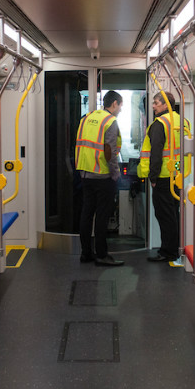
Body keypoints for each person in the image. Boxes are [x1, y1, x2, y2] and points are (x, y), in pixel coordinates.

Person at [75, 91, 125, 266]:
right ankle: (102, 255)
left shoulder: (86, 118)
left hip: (85, 172)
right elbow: (109, 151)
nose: (120, 109)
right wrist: (115, 174)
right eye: (120, 105)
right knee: (102, 215)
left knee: (87, 213)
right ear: (114, 104)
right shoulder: (110, 121)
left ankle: (86, 253)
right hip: (102, 174)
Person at [138, 91, 189, 263]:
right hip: (177, 174)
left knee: (165, 215)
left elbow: (156, 155)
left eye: (156, 103)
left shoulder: (159, 124)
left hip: (162, 178)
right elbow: (177, 153)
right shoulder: (182, 121)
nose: (153, 106)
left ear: (166, 105)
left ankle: (169, 251)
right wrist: (174, 170)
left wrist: (153, 178)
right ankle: (176, 248)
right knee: (173, 213)